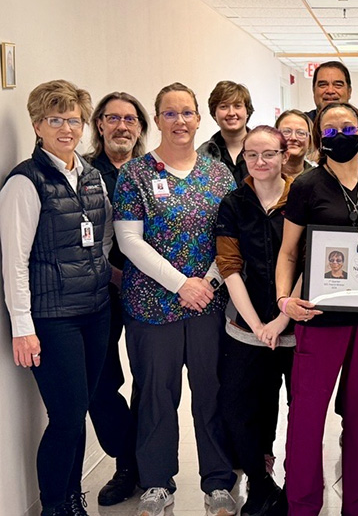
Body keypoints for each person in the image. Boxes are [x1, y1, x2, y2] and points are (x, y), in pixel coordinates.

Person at [113, 82, 237, 516]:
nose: (180, 121)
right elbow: (129, 240)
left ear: (199, 118)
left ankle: (219, 482)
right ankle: (156, 483)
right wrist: (181, 283)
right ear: (157, 118)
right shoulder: (136, 174)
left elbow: (229, 237)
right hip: (151, 305)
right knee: (154, 394)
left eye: (187, 113)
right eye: (170, 113)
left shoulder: (219, 173)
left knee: (212, 392)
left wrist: (205, 283)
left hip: (209, 303)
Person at [275, 102, 358, 516]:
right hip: (319, 318)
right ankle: (303, 504)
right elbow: (289, 253)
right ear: (318, 136)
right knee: (308, 415)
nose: (340, 134)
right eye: (331, 128)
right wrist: (284, 300)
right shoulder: (306, 185)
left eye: (348, 127)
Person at [0, 80, 112, 516]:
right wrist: (23, 328)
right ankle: (53, 507)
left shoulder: (90, 175)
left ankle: (71, 498)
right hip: (53, 319)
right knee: (65, 418)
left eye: (74, 119)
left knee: (79, 410)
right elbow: (14, 262)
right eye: (55, 119)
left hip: (95, 311)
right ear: (36, 125)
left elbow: (99, 241)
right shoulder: (24, 183)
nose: (66, 128)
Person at [215, 125, 294, 516]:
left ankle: (299, 483)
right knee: (238, 407)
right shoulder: (233, 203)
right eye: (251, 155)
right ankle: (260, 484)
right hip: (244, 327)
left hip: (296, 324)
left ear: (285, 155)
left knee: (302, 408)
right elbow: (229, 268)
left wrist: (280, 320)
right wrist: (257, 326)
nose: (260, 162)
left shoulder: (302, 198)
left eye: (269, 154)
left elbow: (308, 261)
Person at [86, 91, 149, 507]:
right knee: (101, 383)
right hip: (99, 293)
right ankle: (127, 462)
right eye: (113, 119)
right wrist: (114, 274)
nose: (121, 126)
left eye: (130, 119)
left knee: (149, 380)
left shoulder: (150, 171)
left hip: (149, 291)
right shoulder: (85, 173)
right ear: (100, 126)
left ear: (141, 127)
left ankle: (148, 460)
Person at [197, 80, 254, 184]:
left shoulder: (264, 149)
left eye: (237, 106)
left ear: (247, 112)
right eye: (224, 107)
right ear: (214, 114)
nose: (231, 113)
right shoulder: (202, 154)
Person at [276, 109, 315, 179]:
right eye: (286, 132)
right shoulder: (262, 175)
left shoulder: (319, 179)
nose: (293, 138)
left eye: (301, 133)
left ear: (310, 141)